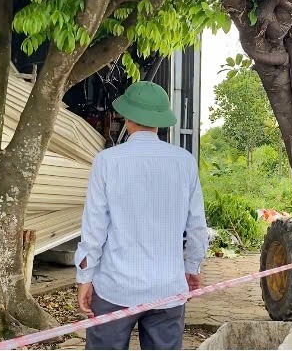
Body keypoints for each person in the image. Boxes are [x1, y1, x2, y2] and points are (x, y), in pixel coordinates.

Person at [76, 81, 208, 350]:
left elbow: (94, 228)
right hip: (167, 288)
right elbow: (197, 227)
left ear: (126, 117)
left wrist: (84, 278)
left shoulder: (107, 161)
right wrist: (192, 268)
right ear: (160, 120)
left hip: (115, 286)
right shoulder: (184, 162)